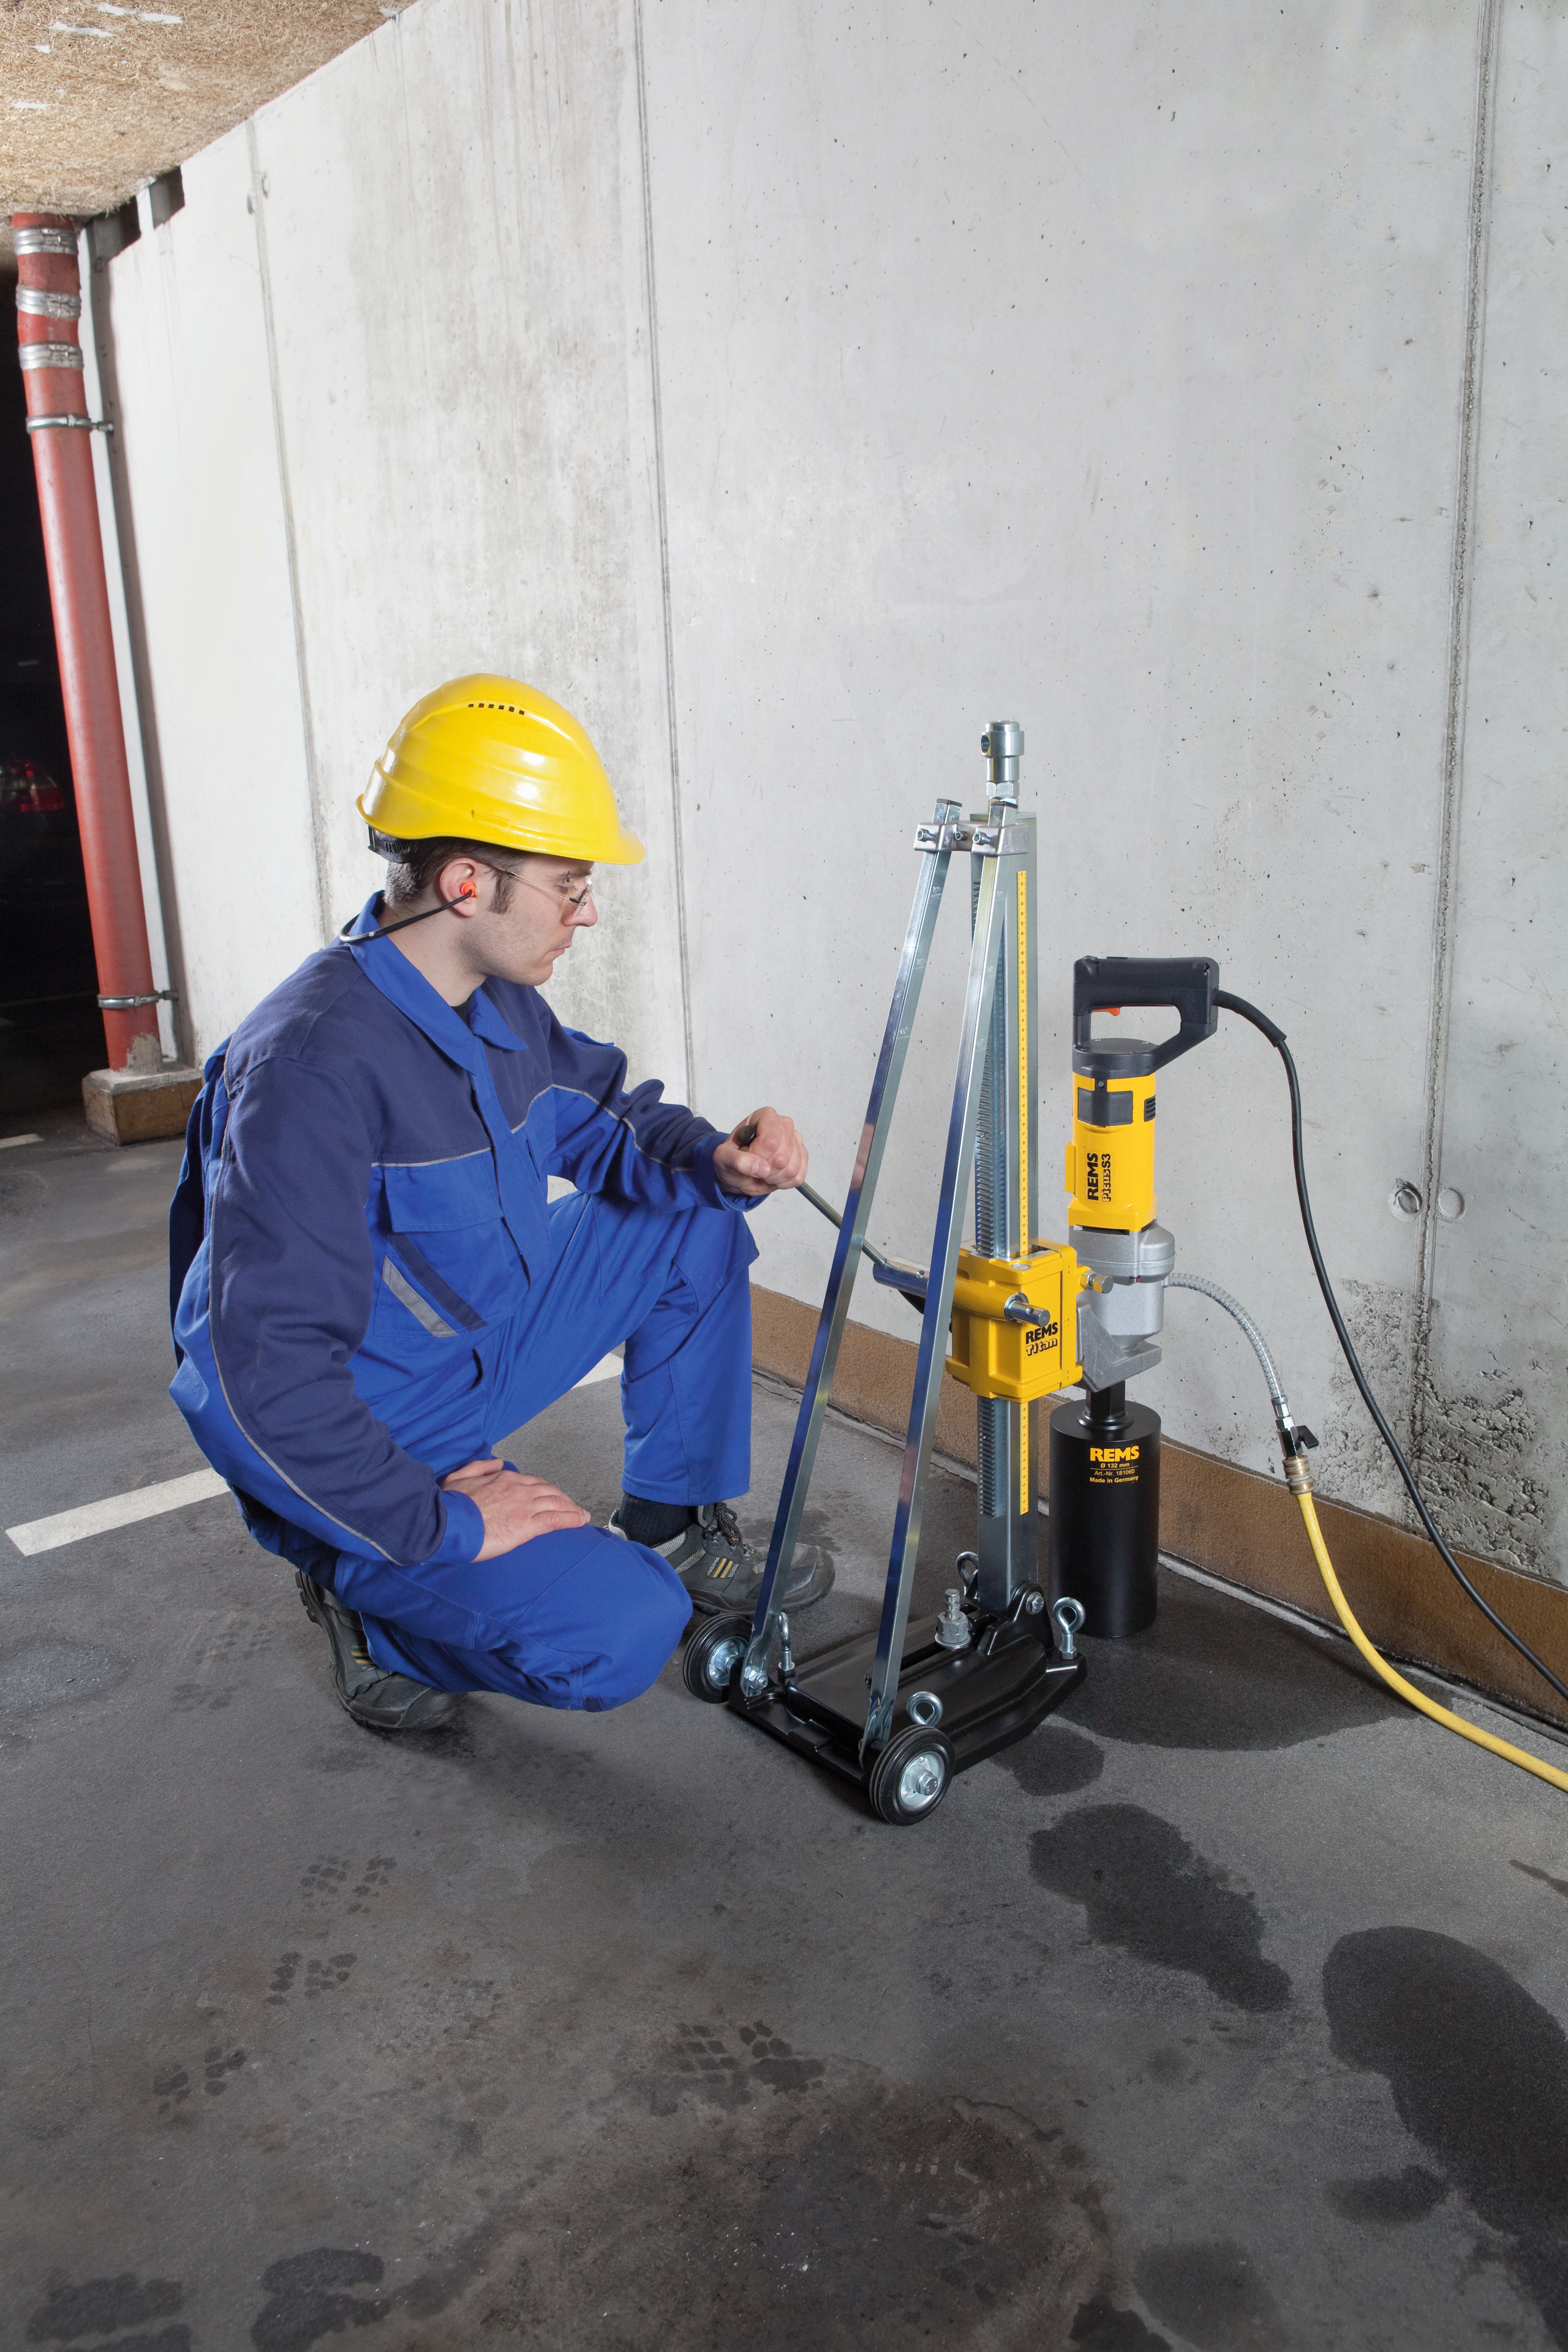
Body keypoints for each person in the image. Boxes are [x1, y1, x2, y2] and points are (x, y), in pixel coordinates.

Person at [168, 675, 831, 1732]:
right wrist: (439, 1521)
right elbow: (257, 1379)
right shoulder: (310, 1071)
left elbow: (607, 1119)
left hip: (483, 1340)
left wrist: (718, 1158)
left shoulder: (501, 1003)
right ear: (468, 884)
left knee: (696, 1217)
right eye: (569, 886)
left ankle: (668, 1520)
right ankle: (365, 1603)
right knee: (621, 1632)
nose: (587, 911)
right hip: (376, 1432)